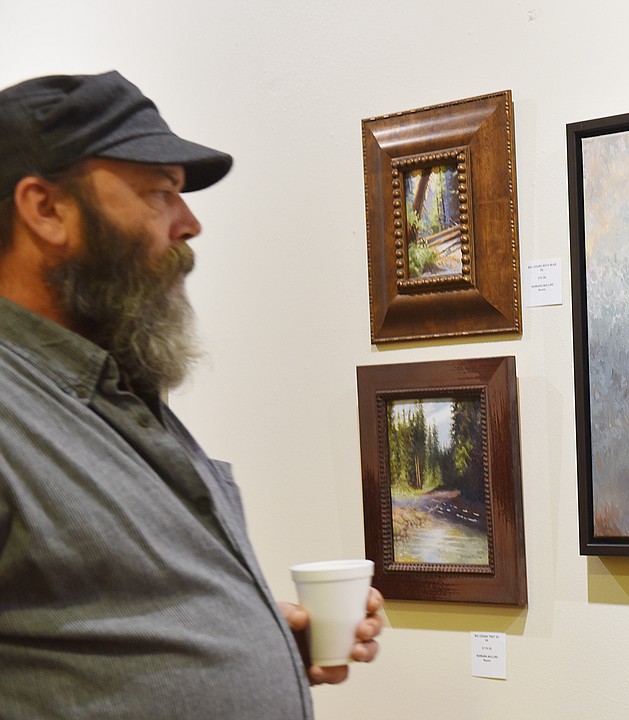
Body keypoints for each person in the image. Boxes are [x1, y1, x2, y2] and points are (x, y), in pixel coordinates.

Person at [0, 71, 382, 719]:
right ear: (46, 210)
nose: (190, 224)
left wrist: (261, 637)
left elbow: (114, 619)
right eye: (159, 193)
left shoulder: (116, 394)